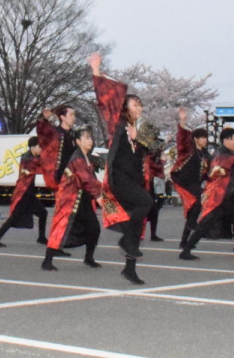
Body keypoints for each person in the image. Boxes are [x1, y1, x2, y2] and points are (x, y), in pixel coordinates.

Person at [89, 53, 152, 285]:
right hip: (119, 178)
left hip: (135, 179)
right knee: (145, 203)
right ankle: (126, 243)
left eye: (140, 104)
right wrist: (96, 71)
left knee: (136, 223)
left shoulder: (143, 128)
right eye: (135, 104)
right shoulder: (119, 122)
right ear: (125, 107)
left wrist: (140, 138)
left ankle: (129, 268)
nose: (139, 107)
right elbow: (107, 99)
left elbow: (155, 147)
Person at [44, 126, 127, 271]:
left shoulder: (86, 157)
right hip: (70, 199)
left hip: (82, 198)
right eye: (86, 138)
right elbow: (87, 180)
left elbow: (92, 178)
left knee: (94, 228)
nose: (90, 141)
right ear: (78, 141)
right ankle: (47, 261)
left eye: (90, 138)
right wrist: (99, 196)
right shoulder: (78, 159)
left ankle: (89, 258)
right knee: (61, 228)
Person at [178, 127, 234, 261]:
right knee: (206, 222)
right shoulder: (220, 154)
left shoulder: (227, 153)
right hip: (217, 195)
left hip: (227, 193)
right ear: (225, 140)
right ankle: (186, 250)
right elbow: (224, 166)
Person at [0, 137, 49, 247]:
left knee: (43, 213)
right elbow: (39, 167)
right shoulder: (27, 158)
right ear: (32, 147)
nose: (41, 149)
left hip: (29, 193)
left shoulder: (35, 157)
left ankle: (41, 237)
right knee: (13, 218)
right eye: (39, 146)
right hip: (23, 193)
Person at [171, 108, 209, 250]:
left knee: (194, 210)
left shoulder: (205, 154)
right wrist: (182, 120)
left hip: (195, 183)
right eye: (202, 137)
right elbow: (181, 137)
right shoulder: (188, 149)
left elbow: (208, 170)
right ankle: (193, 224)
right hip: (183, 180)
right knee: (199, 198)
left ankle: (184, 241)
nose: (205, 140)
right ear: (195, 139)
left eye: (206, 137)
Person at [36, 105, 77, 189]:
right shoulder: (54, 133)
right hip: (58, 176)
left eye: (74, 115)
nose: (74, 117)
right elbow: (42, 132)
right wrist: (44, 119)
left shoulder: (75, 135)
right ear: (63, 117)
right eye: (71, 115)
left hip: (72, 177)